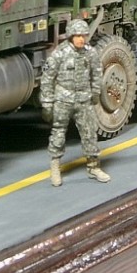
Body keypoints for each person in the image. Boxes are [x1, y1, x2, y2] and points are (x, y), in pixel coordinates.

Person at [40, 19, 111, 186]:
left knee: (89, 132)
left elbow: (97, 73)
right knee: (58, 133)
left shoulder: (90, 53)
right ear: (71, 36)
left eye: (83, 36)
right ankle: (55, 166)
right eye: (77, 36)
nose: (81, 39)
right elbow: (47, 79)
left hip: (84, 99)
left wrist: (95, 93)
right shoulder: (59, 54)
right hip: (63, 99)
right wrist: (47, 102)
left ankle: (93, 166)